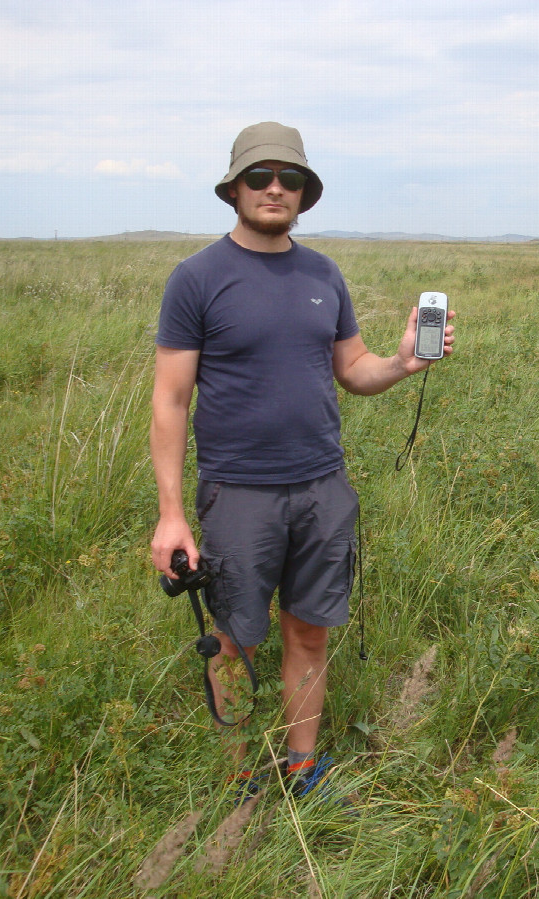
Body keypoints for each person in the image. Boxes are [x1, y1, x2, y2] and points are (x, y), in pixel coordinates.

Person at [150, 121, 455, 799]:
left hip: (322, 489)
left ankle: (302, 768)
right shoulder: (197, 279)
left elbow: (354, 369)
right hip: (239, 495)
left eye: (290, 178)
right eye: (259, 176)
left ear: (304, 193)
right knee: (234, 642)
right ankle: (236, 779)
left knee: (309, 634)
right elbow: (170, 401)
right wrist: (172, 514)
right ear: (234, 188)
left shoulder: (323, 274)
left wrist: (404, 361)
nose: (274, 188)